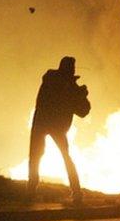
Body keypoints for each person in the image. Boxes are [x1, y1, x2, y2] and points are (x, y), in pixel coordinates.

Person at [27, 56, 90, 204]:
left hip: (47, 125)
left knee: (42, 157)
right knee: (43, 157)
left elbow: (83, 111)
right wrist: (79, 93)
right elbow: (80, 109)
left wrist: (81, 96)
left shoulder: (57, 81)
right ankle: (75, 192)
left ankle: (75, 192)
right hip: (49, 124)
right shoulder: (54, 80)